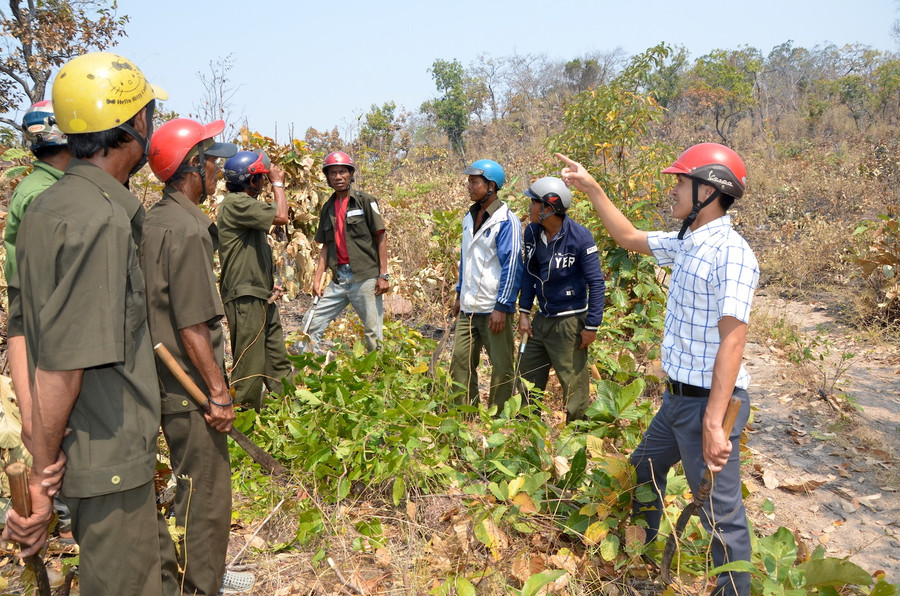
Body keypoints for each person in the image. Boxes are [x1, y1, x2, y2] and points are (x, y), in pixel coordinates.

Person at [2, 51, 180, 595]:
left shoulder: (44, 209)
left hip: (87, 450)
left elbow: (22, 330)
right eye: (147, 114)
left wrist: (36, 436)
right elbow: (65, 364)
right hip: (108, 455)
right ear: (131, 125)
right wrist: (42, 468)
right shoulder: (101, 222)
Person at [558, 144, 758, 596]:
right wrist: (592, 189)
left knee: (721, 518)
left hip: (709, 404)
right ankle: (640, 552)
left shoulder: (732, 253)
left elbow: (734, 339)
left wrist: (713, 421)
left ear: (707, 190)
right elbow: (628, 237)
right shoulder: (689, 242)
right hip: (677, 401)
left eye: (679, 182)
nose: (673, 190)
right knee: (644, 468)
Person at [143, 118, 254, 595]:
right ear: (193, 168)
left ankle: (194, 574)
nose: (218, 170)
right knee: (205, 495)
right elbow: (192, 323)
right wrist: (218, 392)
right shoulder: (188, 230)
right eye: (213, 162)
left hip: (158, 378)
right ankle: (201, 586)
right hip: (189, 387)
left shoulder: (153, 219)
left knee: (186, 487)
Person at [2, 99, 73, 544]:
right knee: (50, 428)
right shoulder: (43, 194)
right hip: (44, 326)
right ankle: (55, 516)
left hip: (39, 320)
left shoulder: (43, 185)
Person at [517, 176, 605, 423]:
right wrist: (524, 312)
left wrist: (591, 326)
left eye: (534, 202)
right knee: (528, 375)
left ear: (549, 207)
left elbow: (596, 283)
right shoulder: (532, 232)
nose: (530, 207)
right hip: (540, 319)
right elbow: (529, 273)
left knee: (574, 384)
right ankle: (527, 430)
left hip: (570, 322)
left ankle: (578, 435)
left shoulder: (580, 237)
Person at [219, 149, 291, 409]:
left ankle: (287, 408)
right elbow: (281, 217)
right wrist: (278, 183)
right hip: (245, 295)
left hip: (260, 292)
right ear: (251, 181)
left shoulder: (245, 207)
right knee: (249, 361)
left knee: (276, 355)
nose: (263, 181)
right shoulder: (237, 202)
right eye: (260, 177)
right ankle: (245, 417)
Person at [449, 159, 522, 414]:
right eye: (468, 181)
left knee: (501, 367)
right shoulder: (469, 217)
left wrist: (502, 306)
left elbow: (512, 266)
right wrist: (459, 293)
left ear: (491, 185)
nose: (469, 186)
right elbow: (465, 258)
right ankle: (463, 415)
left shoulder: (506, 221)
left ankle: (499, 418)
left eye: (474, 181)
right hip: (469, 307)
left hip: (494, 309)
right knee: (460, 363)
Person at [307, 151, 389, 352]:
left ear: (351, 174)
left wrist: (383, 275)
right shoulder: (327, 208)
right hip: (338, 279)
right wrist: (318, 279)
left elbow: (381, 236)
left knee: (372, 332)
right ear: (327, 177)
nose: (337, 177)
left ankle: (376, 375)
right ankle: (311, 370)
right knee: (312, 326)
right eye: (332, 173)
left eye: (342, 171)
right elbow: (326, 246)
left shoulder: (365, 201)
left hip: (365, 277)